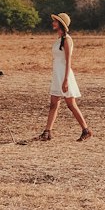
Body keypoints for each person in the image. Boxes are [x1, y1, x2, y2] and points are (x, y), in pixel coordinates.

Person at [39, 12, 92, 142]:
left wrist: (66, 79)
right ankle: (47, 132)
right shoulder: (59, 40)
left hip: (64, 75)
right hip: (57, 74)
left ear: (61, 24)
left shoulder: (67, 40)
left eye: (55, 21)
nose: (53, 23)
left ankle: (86, 130)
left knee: (71, 104)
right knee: (53, 104)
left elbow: (68, 61)